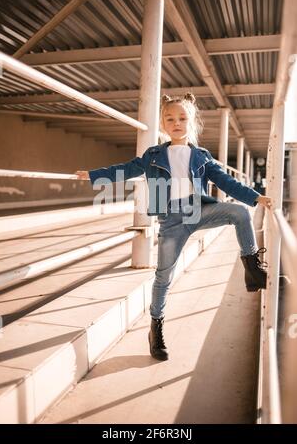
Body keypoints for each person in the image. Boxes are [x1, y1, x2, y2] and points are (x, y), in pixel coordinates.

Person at [75, 93, 272, 362]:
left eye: (182, 118)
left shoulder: (201, 156)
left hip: (198, 211)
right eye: (170, 118)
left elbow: (226, 182)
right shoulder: (154, 154)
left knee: (240, 212)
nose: (176, 122)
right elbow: (127, 168)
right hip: (171, 220)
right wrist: (95, 175)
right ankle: (156, 330)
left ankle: (252, 270)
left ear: (192, 122)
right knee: (163, 277)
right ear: (163, 124)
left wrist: (256, 197)